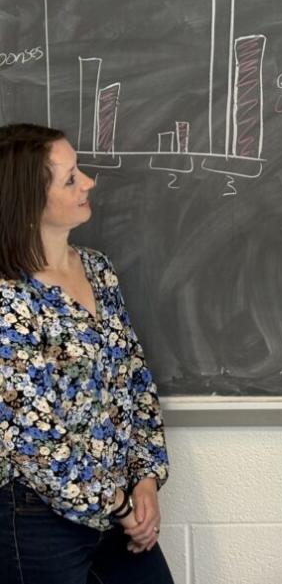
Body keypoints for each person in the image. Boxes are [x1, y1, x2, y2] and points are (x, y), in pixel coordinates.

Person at [0, 123, 175, 584]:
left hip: (116, 507)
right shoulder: (8, 298)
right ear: (28, 199)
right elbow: (32, 440)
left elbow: (134, 381)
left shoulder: (97, 269)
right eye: (71, 177)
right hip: (37, 517)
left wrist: (145, 481)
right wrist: (118, 505)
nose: (88, 183)